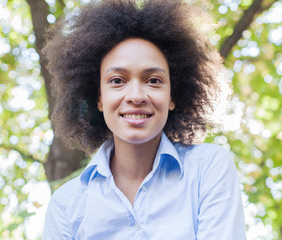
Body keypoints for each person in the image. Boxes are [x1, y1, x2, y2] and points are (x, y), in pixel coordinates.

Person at [42, 0, 246, 239]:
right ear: (98, 98)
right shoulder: (66, 206)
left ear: (172, 96)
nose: (136, 96)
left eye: (153, 81)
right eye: (117, 81)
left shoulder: (208, 170)